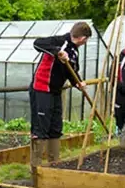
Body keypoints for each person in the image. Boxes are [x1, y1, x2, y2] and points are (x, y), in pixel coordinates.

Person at [30, 22, 92, 165]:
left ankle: (54, 162)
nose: (85, 42)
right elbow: (37, 43)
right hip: (42, 89)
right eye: (86, 39)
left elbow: (71, 71)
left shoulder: (74, 51)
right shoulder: (60, 41)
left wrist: (78, 83)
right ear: (83, 38)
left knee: (56, 126)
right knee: (41, 128)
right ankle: (36, 166)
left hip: (56, 91)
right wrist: (58, 51)